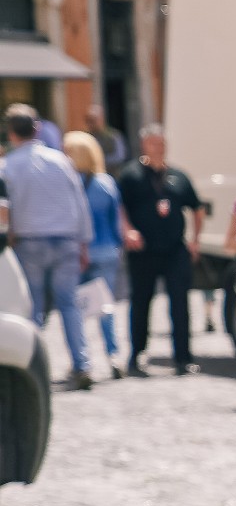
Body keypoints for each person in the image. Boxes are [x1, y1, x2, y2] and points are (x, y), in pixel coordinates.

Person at [3, 105, 92, 389]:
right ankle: (82, 364)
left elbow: (7, 211)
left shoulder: (8, 165)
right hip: (65, 239)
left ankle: (33, 370)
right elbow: (79, 202)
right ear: (37, 129)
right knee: (69, 304)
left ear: (11, 132)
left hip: (30, 242)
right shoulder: (60, 160)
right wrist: (83, 242)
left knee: (34, 309)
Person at [115, 123, 204, 376]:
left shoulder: (178, 175)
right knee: (141, 302)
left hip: (175, 249)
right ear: (144, 146)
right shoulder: (131, 175)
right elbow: (119, 207)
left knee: (180, 303)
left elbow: (196, 208)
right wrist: (128, 229)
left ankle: (183, 358)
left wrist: (195, 240)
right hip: (143, 251)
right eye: (154, 144)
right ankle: (137, 356)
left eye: (162, 144)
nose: (159, 149)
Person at [64, 130, 128, 381]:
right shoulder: (106, 183)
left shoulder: (69, 183)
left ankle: (82, 361)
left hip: (77, 252)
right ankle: (113, 354)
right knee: (105, 305)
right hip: (106, 250)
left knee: (75, 308)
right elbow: (116, 220)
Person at [84, 103, 126, 168]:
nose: (90, 123)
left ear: (101, 119)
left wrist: (98, 160)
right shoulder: (85, 137)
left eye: (93, 120)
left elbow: (119, 156)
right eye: (88, 120)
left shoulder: (113, 136)